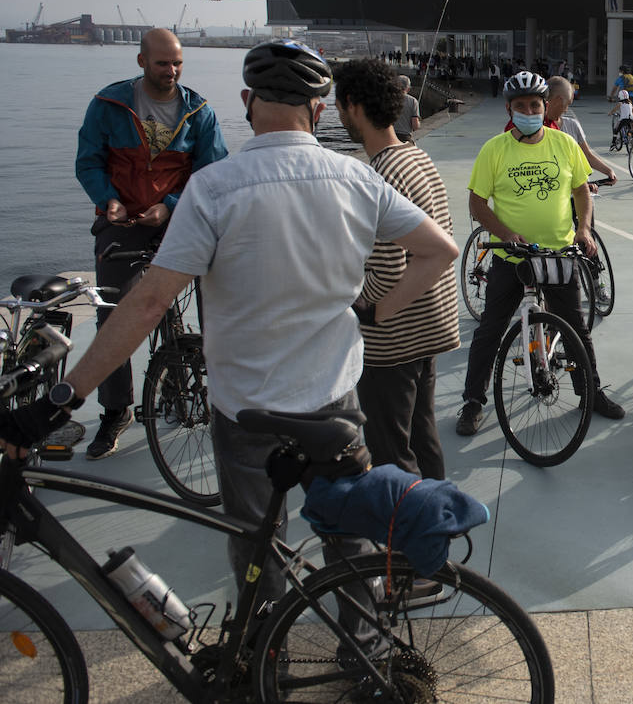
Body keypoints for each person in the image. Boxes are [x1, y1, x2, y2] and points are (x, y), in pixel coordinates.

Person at [48, 39, 460, 605]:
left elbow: (148, 304)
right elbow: (440, 250)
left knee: (255, 540)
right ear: (319, 109)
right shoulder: (357, 179)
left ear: (247, 101)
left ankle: (264, 638)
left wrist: (68, 393)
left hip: (245, 402)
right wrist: (377, 310)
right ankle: (363, 639)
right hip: (333, 394)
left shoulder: (214, 188)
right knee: (348, 534)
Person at [74, 27, 229, 459]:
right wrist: (109, 201)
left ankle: (217, 387)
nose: (172, 71)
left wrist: (171, 206)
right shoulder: (108, 105)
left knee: (218, 299)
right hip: (122, 222)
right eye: (162, 63)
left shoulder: (199, 111)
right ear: (141, 61)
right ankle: (115, 410)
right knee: (112, 313)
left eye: (177, 63)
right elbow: (88, 162)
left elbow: (212, 172)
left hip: (179, 220)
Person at [457, 71, 624, 436]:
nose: (529, 111)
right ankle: (472, 402)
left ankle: (590, 392)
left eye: (535, 105)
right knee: (490, 330)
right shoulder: (494, 150)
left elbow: (581, 191)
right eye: (521, 106)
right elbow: (477, 203)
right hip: (512, 258)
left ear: (546, 106)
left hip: (558, 255)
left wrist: (583, 229)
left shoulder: (564, 143)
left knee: (577, 328)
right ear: (509, 109)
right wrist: (506, 234)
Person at [332, 58, 461, 479]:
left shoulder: (379, 175)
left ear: (353, 106)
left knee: (391, 452)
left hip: (393, 338)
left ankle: (406, 521)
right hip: (429, 322)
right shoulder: (416, 157)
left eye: (338, 106)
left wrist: (359, 304)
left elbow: (386, 269)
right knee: (423, 436)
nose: (338, 114)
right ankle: (438, 510)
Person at [545, 76, 619, 187]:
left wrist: (608, 171)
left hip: (579, 188)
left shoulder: (572, 125)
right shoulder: (538, 130)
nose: (566, 110)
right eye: (567, 104)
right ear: (557, 100)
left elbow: (587, 155)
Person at [392, 75, 421, 143]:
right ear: (408, 88)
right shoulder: (413, 101)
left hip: (391, 138)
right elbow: (415, 126)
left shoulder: (389, 99)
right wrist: (419, 122)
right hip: (405, 138)